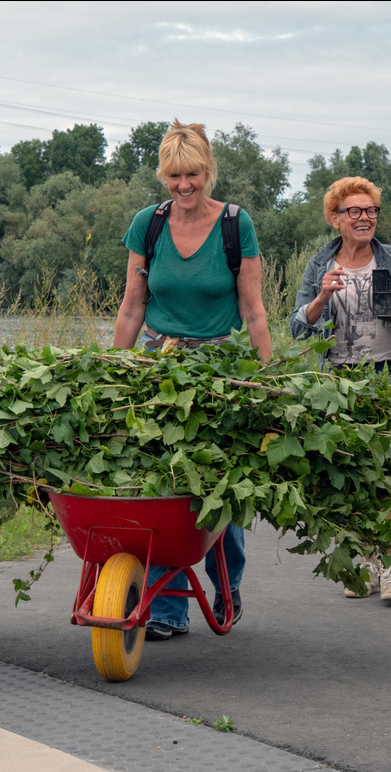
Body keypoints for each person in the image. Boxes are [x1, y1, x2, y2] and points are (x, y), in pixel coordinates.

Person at [113, 119, 270, 641]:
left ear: (209, 172)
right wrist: (114, 371)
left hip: (219, 370)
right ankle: (168, 610)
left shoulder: (234, 224)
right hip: (159, 366)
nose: (184, 185)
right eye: (174, 176)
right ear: (163, 175)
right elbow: (133, 307)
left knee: (217, 486)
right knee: (163, 488)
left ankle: (228, 578)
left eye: (193, 174)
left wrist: (269, 378)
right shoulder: (147, 225)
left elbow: (253, 310)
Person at [289, 176, 391, 602]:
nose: (365, 218)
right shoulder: (321, 266)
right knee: (355, 478)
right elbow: (298, 327)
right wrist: (321, 298)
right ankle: (367, 563)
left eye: (371, 210)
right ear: (334, 219)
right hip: (340, 382)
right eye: (354, 211)